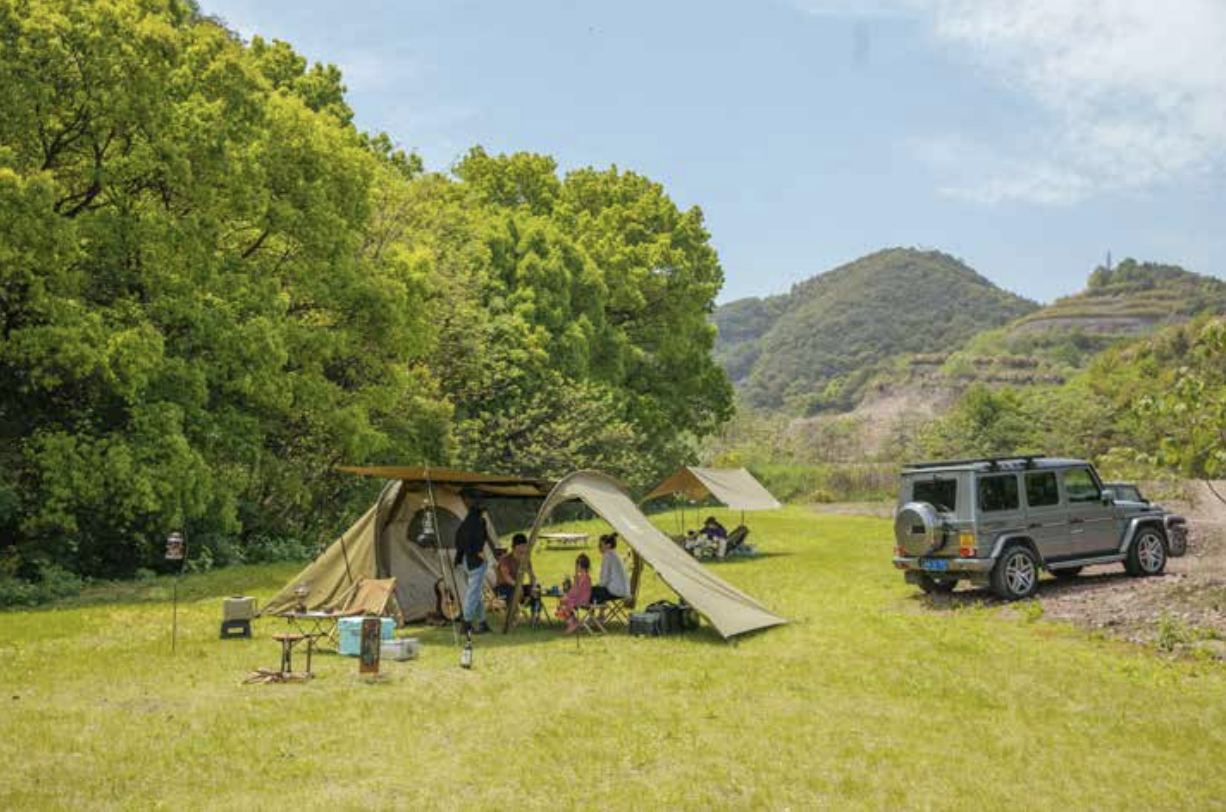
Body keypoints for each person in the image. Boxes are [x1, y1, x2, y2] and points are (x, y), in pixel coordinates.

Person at [454, 501, 493, 633]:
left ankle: (482, 622)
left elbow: (458, 543)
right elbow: (478, 545)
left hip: (464, 561)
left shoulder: (464, 524)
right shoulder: (480, 523)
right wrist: (485, 559)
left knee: (476, 593)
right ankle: (466, 623)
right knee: (473, 594)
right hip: (476, 562)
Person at [495, 533, 539, 617]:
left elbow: (532, 575)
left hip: (518, 587)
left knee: (537, 589)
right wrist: (518, 586)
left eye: (525, 545)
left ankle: (535, 615)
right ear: (516, 546)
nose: (525, 547)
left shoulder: (526, 560)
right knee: (513, 590)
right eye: (523, 545)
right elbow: (507, 578)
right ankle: (512, 615)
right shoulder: (505, 559)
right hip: (502, 588)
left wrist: (534, 585)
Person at [556, 553, 592, 633]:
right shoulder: (580, 577)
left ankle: (572, 623)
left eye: (577, 565)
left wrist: (568, 596)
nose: (576, 567)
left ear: (582, 566)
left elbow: (577, 591)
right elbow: (574, 590)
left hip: (582, 600)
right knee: (562, 602)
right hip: (577, 598)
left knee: (565, 603)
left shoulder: (585, 577)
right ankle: (573, 621)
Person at [590, 534, 629, 605]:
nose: (598, 547)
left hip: (615, 591)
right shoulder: (615, 554)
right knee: (599, 590)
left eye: (600, 545)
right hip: (624, 591)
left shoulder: (607, 555)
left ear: (608, 545)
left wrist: (597, 586)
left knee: (588, 591)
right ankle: (601, 614)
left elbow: (604, 580)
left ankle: (592, 613)